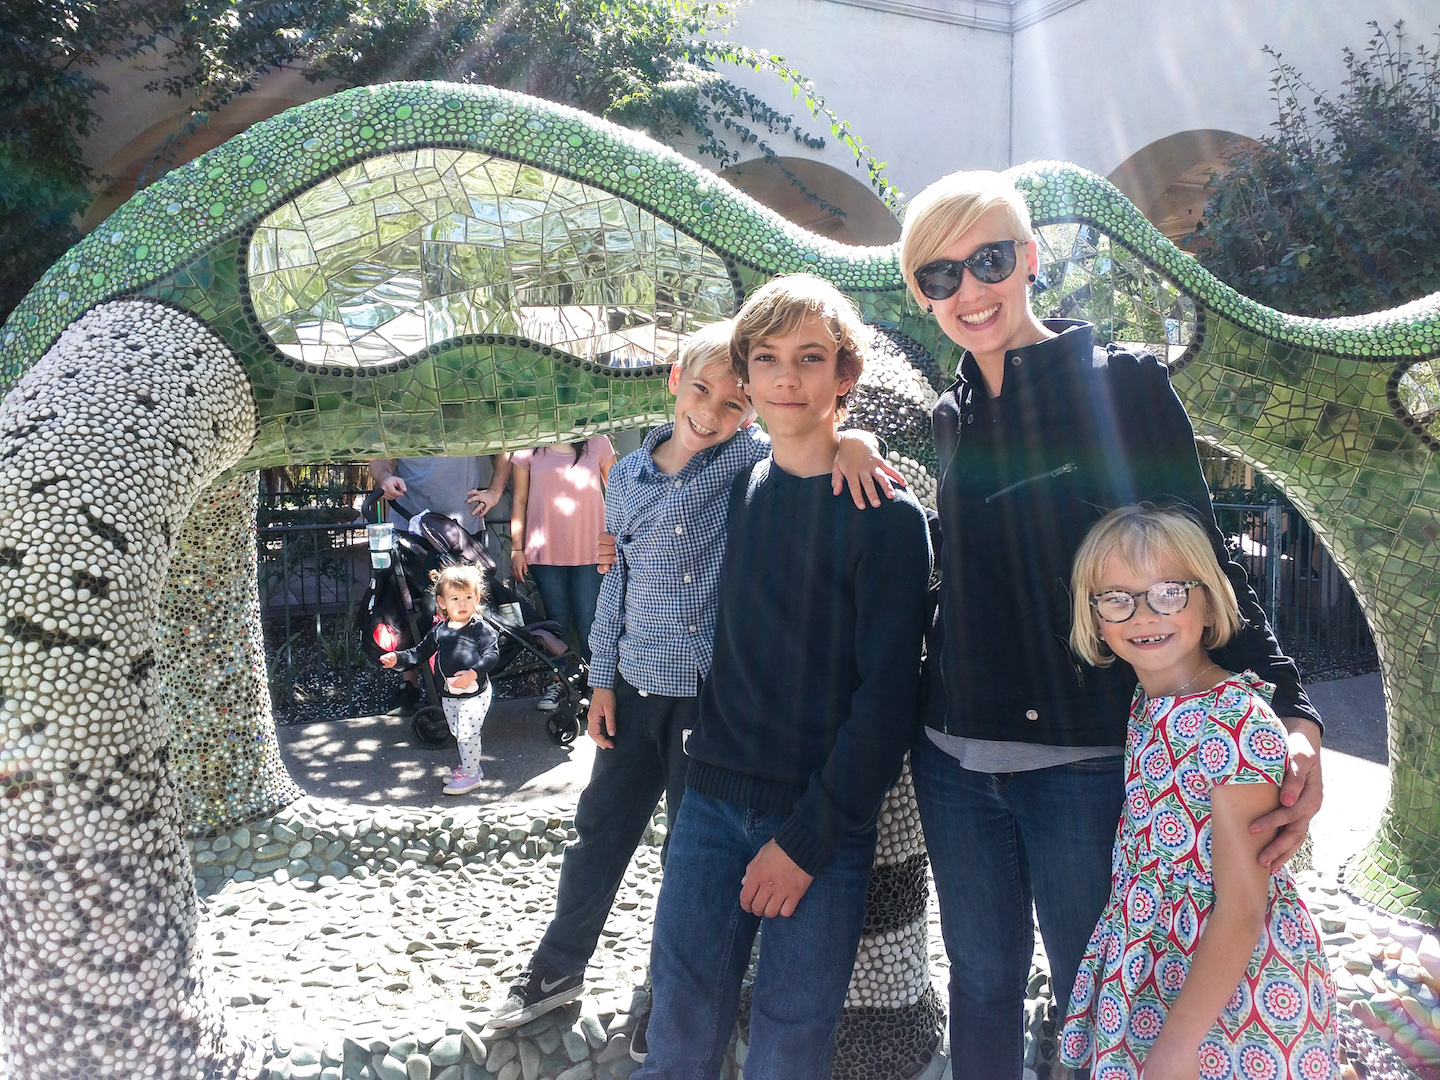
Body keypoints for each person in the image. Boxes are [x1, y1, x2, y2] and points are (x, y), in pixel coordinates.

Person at [897, 169, 1326, 1078]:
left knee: (1098, 987)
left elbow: (1202, 557)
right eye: (940, 275)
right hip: (952, 756)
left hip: (1082, 760)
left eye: (989, 260)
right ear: (922, 294)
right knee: (981, 983)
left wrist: (1295, 712)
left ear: (1030, 259)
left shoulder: (1119, 384)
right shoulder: (949, 415)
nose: (969, 289)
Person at [487, 319, 903, 1043]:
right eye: (702, 391)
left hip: (708, 701)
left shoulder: (747, 460)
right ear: (675, 380)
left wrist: (859, 442)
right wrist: (602, 681)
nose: (711, 413)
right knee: (598, 831)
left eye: (734, 402)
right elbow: (616, 581)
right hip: (633, 688)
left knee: (688, 856)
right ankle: (556, 967)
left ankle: (665, 991)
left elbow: (810, 436)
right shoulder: (628, 474)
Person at [635, 275, 932, 1079]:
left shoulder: (887, 517)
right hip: (709, 804)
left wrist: (805, 841)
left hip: (817, 823)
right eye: (765, 359)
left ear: (845, 373)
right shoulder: (740, 484)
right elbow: (651, 476)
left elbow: (888, 704)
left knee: (790, 1045)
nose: (786, 378)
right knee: (677, 1032)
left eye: (810, 358)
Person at [1060, 504, 1339, 1080]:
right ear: (1095, 616)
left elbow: (1241, 908)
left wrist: (1172, 1051)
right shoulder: (1150, 704)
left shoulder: (1235, 723)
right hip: (1158, 966)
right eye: (1117, 598)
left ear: (1209, 602)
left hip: (1228, 998)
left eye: (1168, 593)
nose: (1143, 615)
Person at [510, 437, 616, 711]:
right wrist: (516, 548)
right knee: (555, 623)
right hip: (545, 552)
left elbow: (618, 491)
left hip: (591, 551)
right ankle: (559, 684)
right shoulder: (527, 443)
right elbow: (519, 499)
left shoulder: (598, 441)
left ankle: (596, 687)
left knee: (589, 619)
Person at [379, 564, 500, 794]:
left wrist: (474, 673)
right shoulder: (440, 631)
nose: (462, 604)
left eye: (467, 597)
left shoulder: (479, 629)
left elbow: (492, 655)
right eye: (455, 599)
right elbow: (419, 652)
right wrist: (398, 658)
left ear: (476, 598)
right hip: (449, 694)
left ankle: (471, 774)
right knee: (457, 732)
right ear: (442, 603)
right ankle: (471, 765)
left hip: (475, 693)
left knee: (467, 733)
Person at [369, 454, 513, 572]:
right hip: (408, 525)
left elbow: (504, 442)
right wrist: (385, 478)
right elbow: (379, 454)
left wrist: (494, 491)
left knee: (463, 596)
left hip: (462, 532)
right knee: (409, 597)